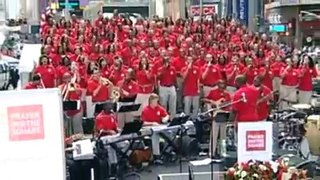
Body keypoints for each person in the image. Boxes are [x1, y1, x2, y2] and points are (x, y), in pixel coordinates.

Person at [203, 80, 231, 159]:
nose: (222, 85)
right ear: (217, 84)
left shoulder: (227, 94)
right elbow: (204, 99)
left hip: (223, 116)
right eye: (220, 84)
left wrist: (226, 107)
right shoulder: (212, 92)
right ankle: (212, 152)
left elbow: (229, 105)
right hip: (215, 116)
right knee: (214, 136)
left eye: (223, 84)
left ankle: (222, 152)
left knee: (223, 136)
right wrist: (212, 102)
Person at [141, 93, 169, 164]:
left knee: (170, 132)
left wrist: (165, 118)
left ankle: (168, 150)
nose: (157, 103)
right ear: (151, 101)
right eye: (155, 101)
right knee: (155, 135)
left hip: (159, 126)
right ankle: (157, 155)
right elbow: (143, 123)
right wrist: (152, 123)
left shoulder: (159, 108)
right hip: (149, 128)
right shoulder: (145, 110)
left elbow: (166, 115)